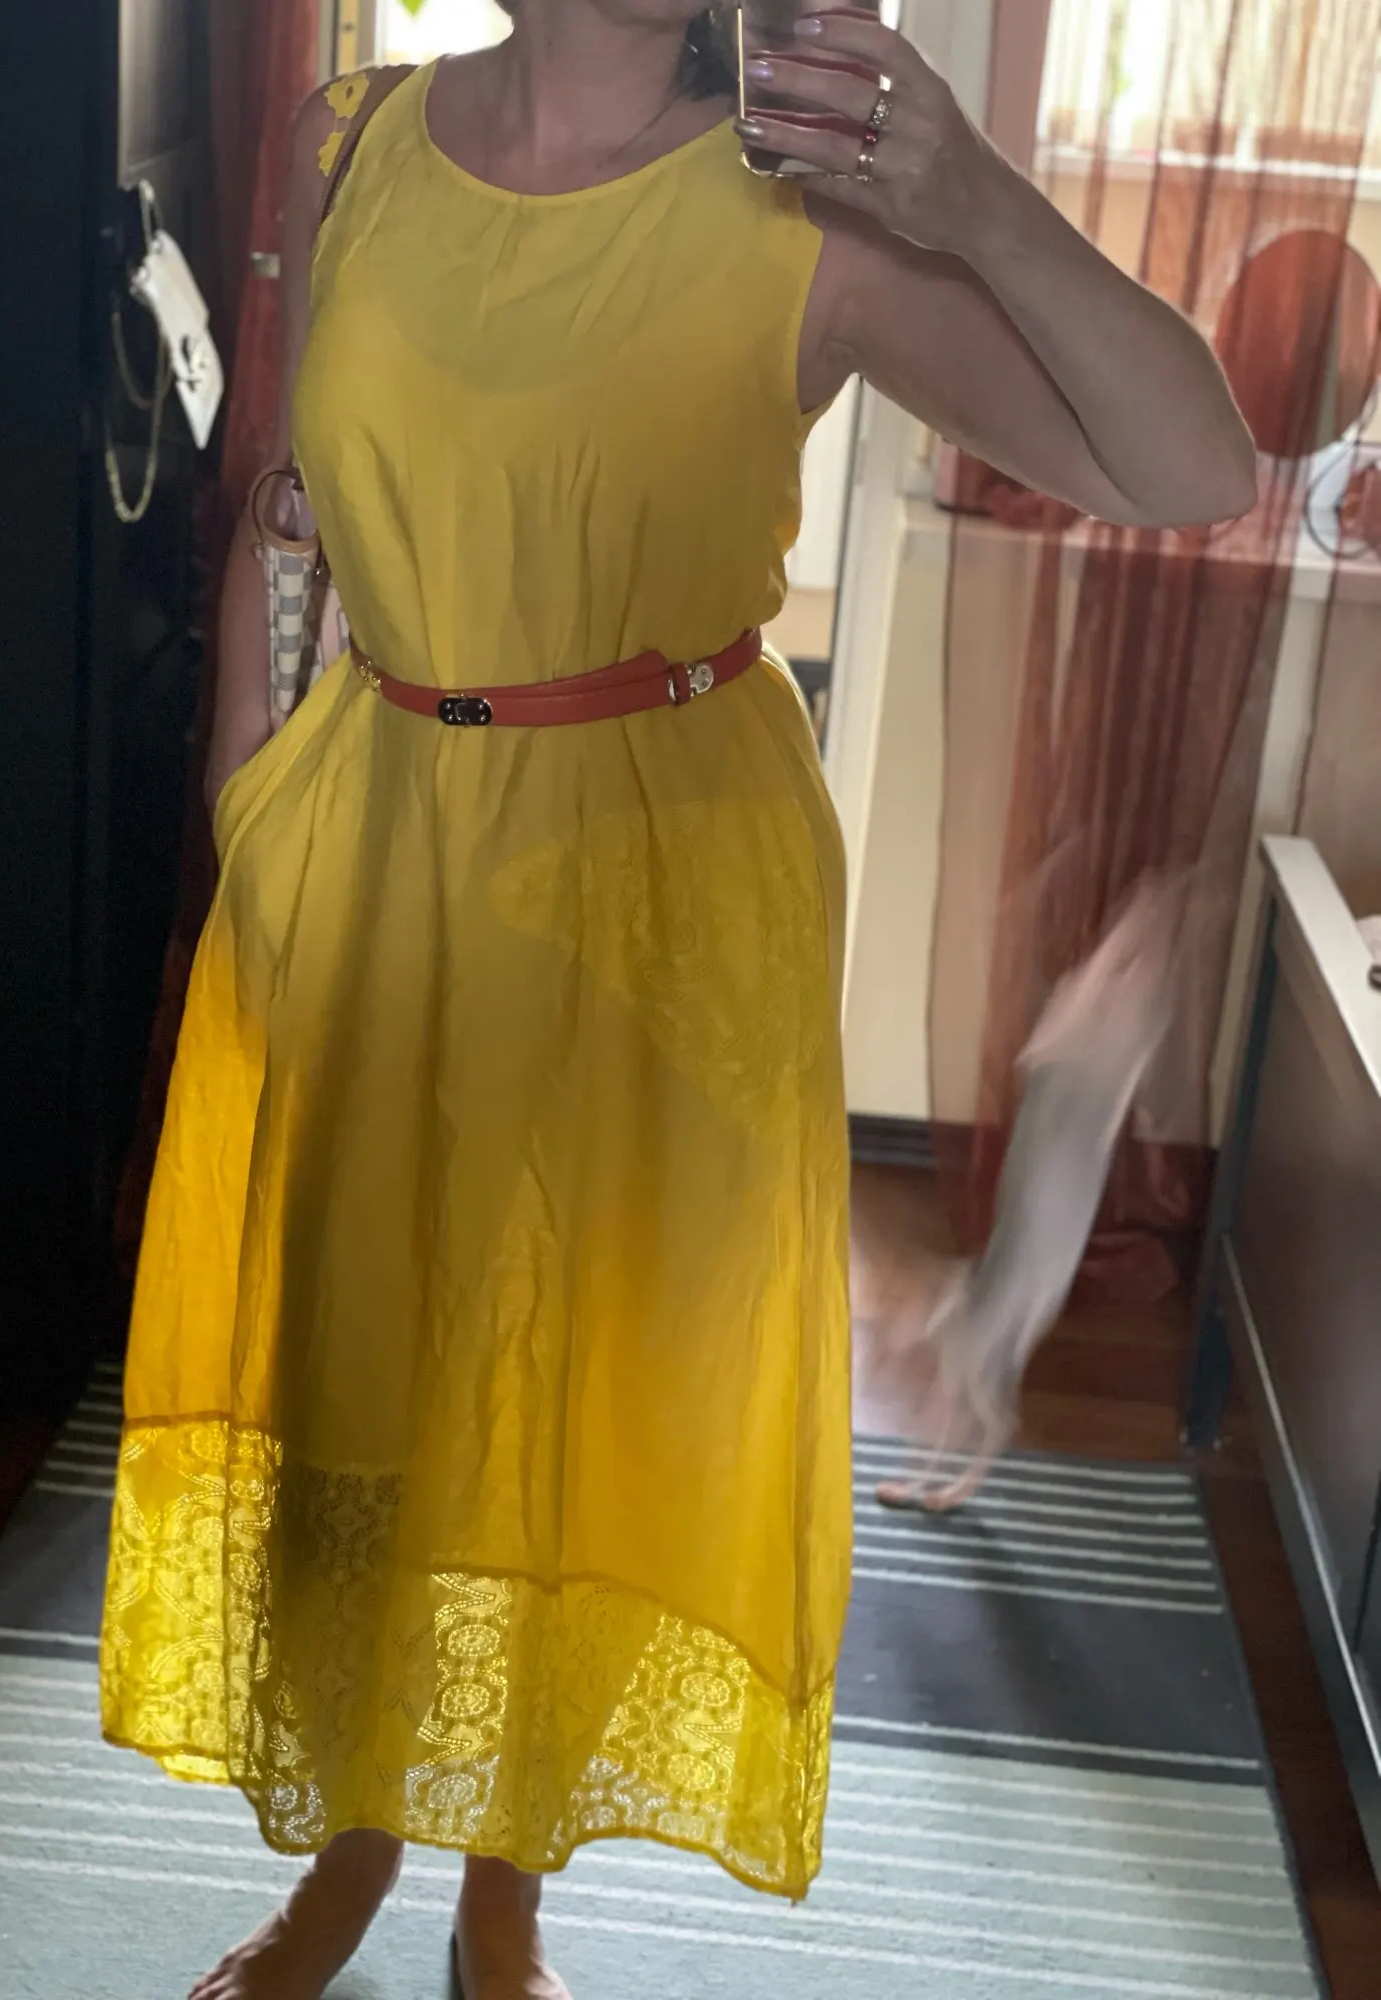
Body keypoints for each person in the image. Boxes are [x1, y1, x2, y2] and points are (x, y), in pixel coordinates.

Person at [99, 4, 1257, 1997]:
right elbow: (289, 501)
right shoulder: (347, 137)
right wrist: (245, 811)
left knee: (572, 1415)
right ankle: (346, 1866)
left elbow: (1195, 463)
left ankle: (506, 1893)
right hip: (372, 847)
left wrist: (975, 195)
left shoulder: (806, 213)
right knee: (363, 1399)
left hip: (658, 888)